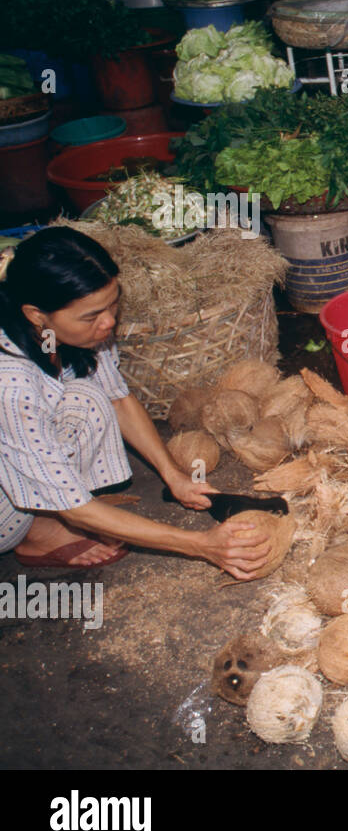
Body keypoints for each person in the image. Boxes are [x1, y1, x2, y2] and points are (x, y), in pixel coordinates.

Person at [0, 226, 272, 577]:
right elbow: (74, 505)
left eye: (113, 304)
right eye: (91, 315)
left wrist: (173, 476)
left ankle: (54, 506)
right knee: (69, 503)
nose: (109, 322)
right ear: (36, 315)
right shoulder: (11, 384)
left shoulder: (63, 335)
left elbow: (119, 401)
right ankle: (37, 530)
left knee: (90, 400)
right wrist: (200, 544)